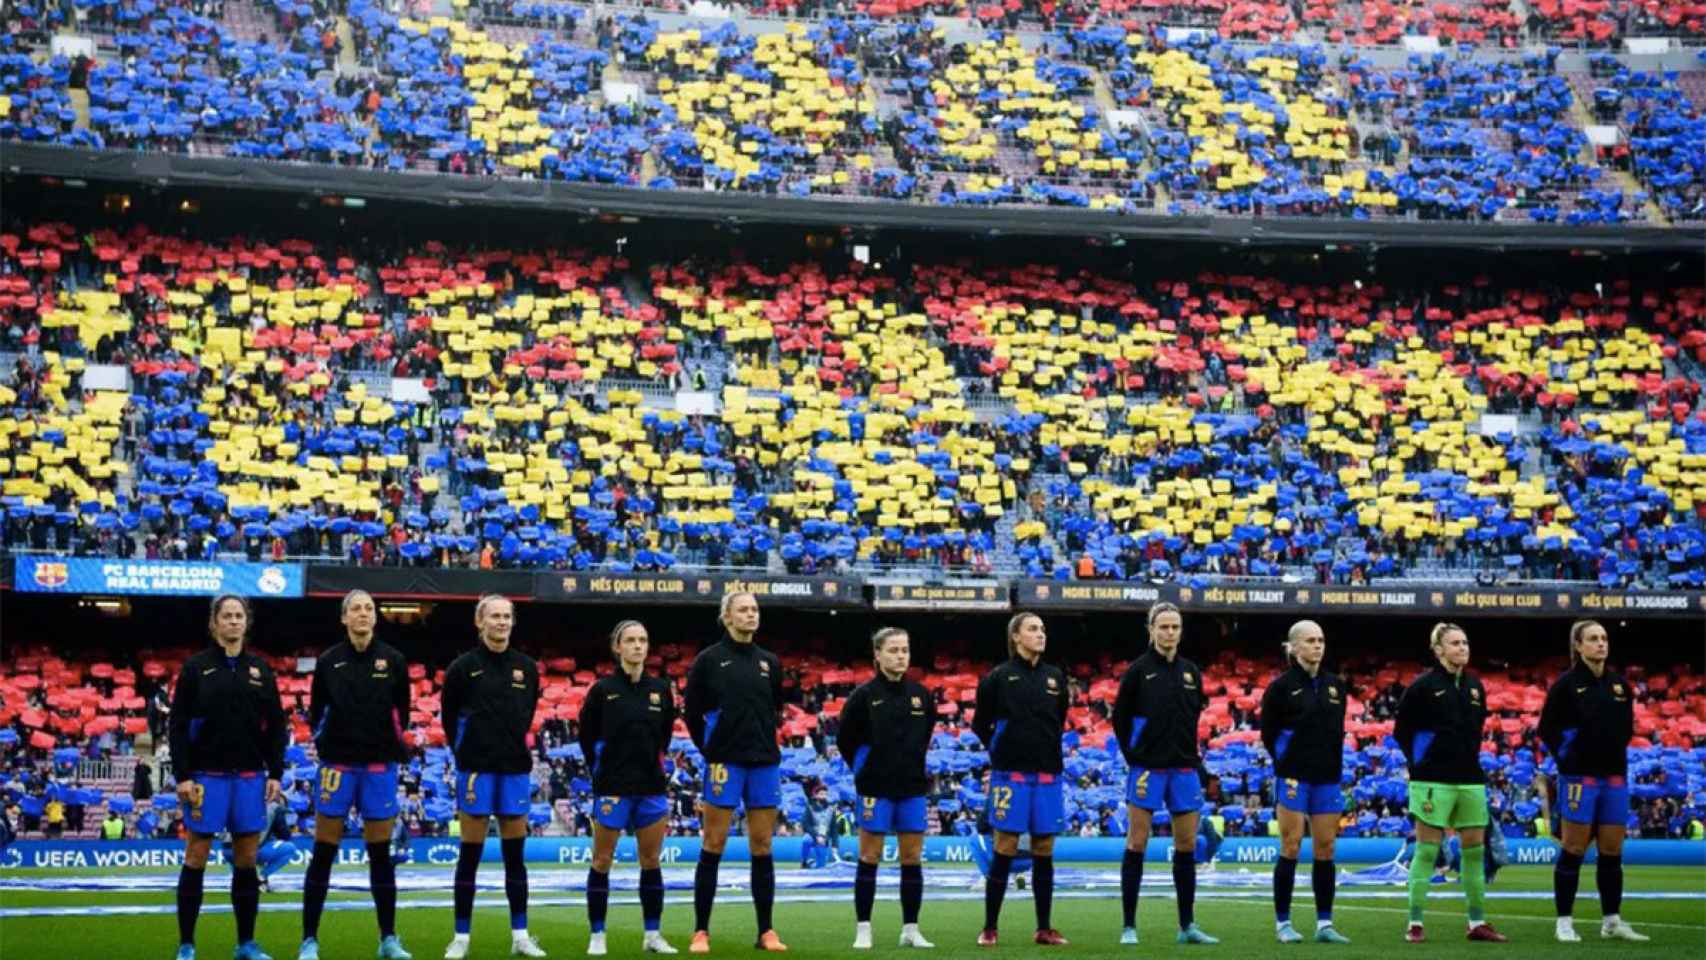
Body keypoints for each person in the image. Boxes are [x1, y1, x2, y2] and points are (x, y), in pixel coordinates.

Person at [168, 594, 287, 960]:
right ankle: (187, 944)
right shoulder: (195, 668)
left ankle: (246, 944)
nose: (234, 621)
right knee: (197, 855)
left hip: (251, 777)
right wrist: (183, 775)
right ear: (215, 623)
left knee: (246, 859)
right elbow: (177, 725)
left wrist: (276, 772)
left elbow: (276, 726)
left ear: (246, 623)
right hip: (206, 777)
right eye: (227, 616)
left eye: (239, 616)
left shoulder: (260, 670)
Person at [298, 590, 414, 960]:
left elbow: (402, 714)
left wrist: (389, 748)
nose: (363, 614)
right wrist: (332, 746)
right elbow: (317, 714)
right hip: (338, 768)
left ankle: (388, 939)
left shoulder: (393, 660)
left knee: (381, 856)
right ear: (344, 618)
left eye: (369, 609)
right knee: (323, 854)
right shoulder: (329, 662)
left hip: (379, 768)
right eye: (356, 609)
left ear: (374, 618)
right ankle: (309, 940)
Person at [683, 593, 788, 953]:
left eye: (755, 609)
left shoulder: (769, 662)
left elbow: (776, 708)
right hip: (724, 763)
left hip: (764, 762)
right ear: (726, 616)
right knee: (714, 842)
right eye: (743, 609)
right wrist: (711, 749)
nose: (751, 615)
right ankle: (701, 931)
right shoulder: (709, 661)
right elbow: (691, 713)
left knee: (762, 844)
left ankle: (766, 931)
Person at [441, 595, 545, 959]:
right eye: (494, 616)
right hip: (476, 771)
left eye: (506, 617)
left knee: (514, 858)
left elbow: (528, 712)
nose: (501, 622)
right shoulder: (462, 668)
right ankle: (461, 937)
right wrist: (469, 753)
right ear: (479, 622)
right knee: (469, 856)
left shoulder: (527, 668)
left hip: (514, 769)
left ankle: (520, 935)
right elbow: (449, 719)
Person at [1112, 603, 1217, 945]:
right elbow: (1120, 720)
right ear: (1151, 630)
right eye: (1164, 627)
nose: (1170, 632)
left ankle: (1187, 925)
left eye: (1175, 627)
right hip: (1147, 768)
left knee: (1186, 844)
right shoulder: (1138, 671)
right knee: (1137, 842)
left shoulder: (1191, 672)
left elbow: (1193, 717)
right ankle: (1129, 926)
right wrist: (1135, 756)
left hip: (1184, 768)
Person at [1394, 623, 1506, 943]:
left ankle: (1477, 923)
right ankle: (1415, 924)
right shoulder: (1422, 687)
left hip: (1470, 779)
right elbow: (1403, 732)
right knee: (1427, 852)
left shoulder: (1474, 686)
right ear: (1439, 650)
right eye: (1455, 643)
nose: (1462, 648)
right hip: (1432, 780)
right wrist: (1421, 764)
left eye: (1465, 642)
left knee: (1474, 853)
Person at [1539, 620, 1648, 943]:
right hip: (1579, 777)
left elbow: (1626, 729)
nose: (1601, 644)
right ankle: (1564, 921)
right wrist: (1568, 762)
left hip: (1614, 775)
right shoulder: (1566, 685)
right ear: (1578, 646)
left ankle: (1612, 921)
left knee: (1612, 851)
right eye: (1593, 639)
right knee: (1573, 849)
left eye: (1603, 638)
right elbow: (1547, 730)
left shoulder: (1619, 686)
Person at [575, 620, 680, 956]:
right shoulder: (602, 691)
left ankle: (652, 934)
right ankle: (597, 934)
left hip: (650, 787)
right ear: (617, 647)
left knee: (651, 860)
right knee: (602, 860)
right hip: (612, 787)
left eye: (643, 640)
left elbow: (663, 736)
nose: (638, 646)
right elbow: (587, 739)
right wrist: (604, 771)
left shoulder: (661, 690)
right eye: (631, 640)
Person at [971, 612, 1070, 947]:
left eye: (1043, 628)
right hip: (1010, 776)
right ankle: (989, 927)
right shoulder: (997, 678)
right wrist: (1002, 752)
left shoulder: (1055, 678)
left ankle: (1044, 927)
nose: (1040, 634)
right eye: (1033, 629)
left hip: (1048, 775)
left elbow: (1059, 719)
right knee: (1005, 846)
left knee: (1044, 848)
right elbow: (980, 724)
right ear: (1016, 636)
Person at [835, 627, 937, 950]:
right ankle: (863, 928)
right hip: (875, 788)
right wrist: (867, 769)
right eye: (893, 650)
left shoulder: (922, 695)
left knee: (912, 858)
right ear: (877, 655)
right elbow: (845, 741)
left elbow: (925, 736)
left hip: (911, 788)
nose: (900, 656)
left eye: (905, 650)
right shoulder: (863, 697)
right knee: (870, 855)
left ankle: (910, 928)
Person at [1257, 619, 1352, 944]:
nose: (1317, 645)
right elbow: (1269, 734)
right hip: (1294, 777)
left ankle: (1324, 923)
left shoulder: (1335, 686)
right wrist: (1287, 762)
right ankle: (1283, 923)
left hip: (1327, 777)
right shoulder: (1281, 688)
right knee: (1291, 845)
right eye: (1310, 640)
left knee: (1326, 848)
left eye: (1321, 640)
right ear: (1295, 647)